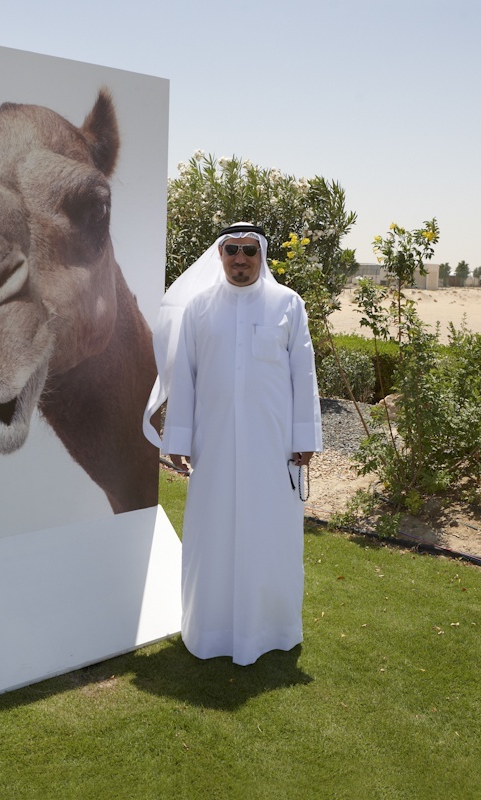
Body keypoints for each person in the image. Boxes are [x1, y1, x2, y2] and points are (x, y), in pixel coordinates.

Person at [151, 222, 322, 666]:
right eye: (232, 250)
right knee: (213, 535)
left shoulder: (288, 304)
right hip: (214, 448)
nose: (240, 258)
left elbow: (303, 374)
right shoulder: (200, 308)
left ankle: (272, 630)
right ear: (221, 254)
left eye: (249, 250)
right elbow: (183, 378)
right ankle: (209, 631)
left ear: (261, 255)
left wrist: (305, 439)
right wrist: (180, 438)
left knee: (271, 537)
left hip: (274, 450)